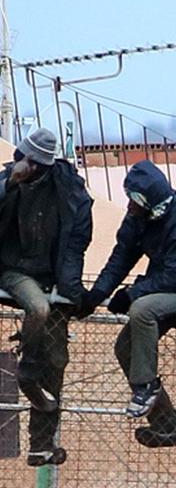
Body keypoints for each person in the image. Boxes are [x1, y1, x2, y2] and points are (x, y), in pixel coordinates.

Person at [79, 160, 176, 448]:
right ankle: (168, 426)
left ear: (150, 202)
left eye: (135, 200)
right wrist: (97, 293)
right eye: (129, 198)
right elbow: (122, 255)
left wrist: (133, 294)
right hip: (170, 278)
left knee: (143, 310)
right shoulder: (140, 215)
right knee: (125, 347)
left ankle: (145, 386)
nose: (129, 206)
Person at [0, 127, 93, 466]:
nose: (27, 166)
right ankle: (27, 370)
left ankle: (41, 445)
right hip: (13, 271)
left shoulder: (68, 190)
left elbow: (76, 241)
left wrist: (70, 288)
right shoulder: (8, 182)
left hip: (52, 279)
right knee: (38, 309)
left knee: (55, 361)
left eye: (33, 162)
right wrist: (10, 183)